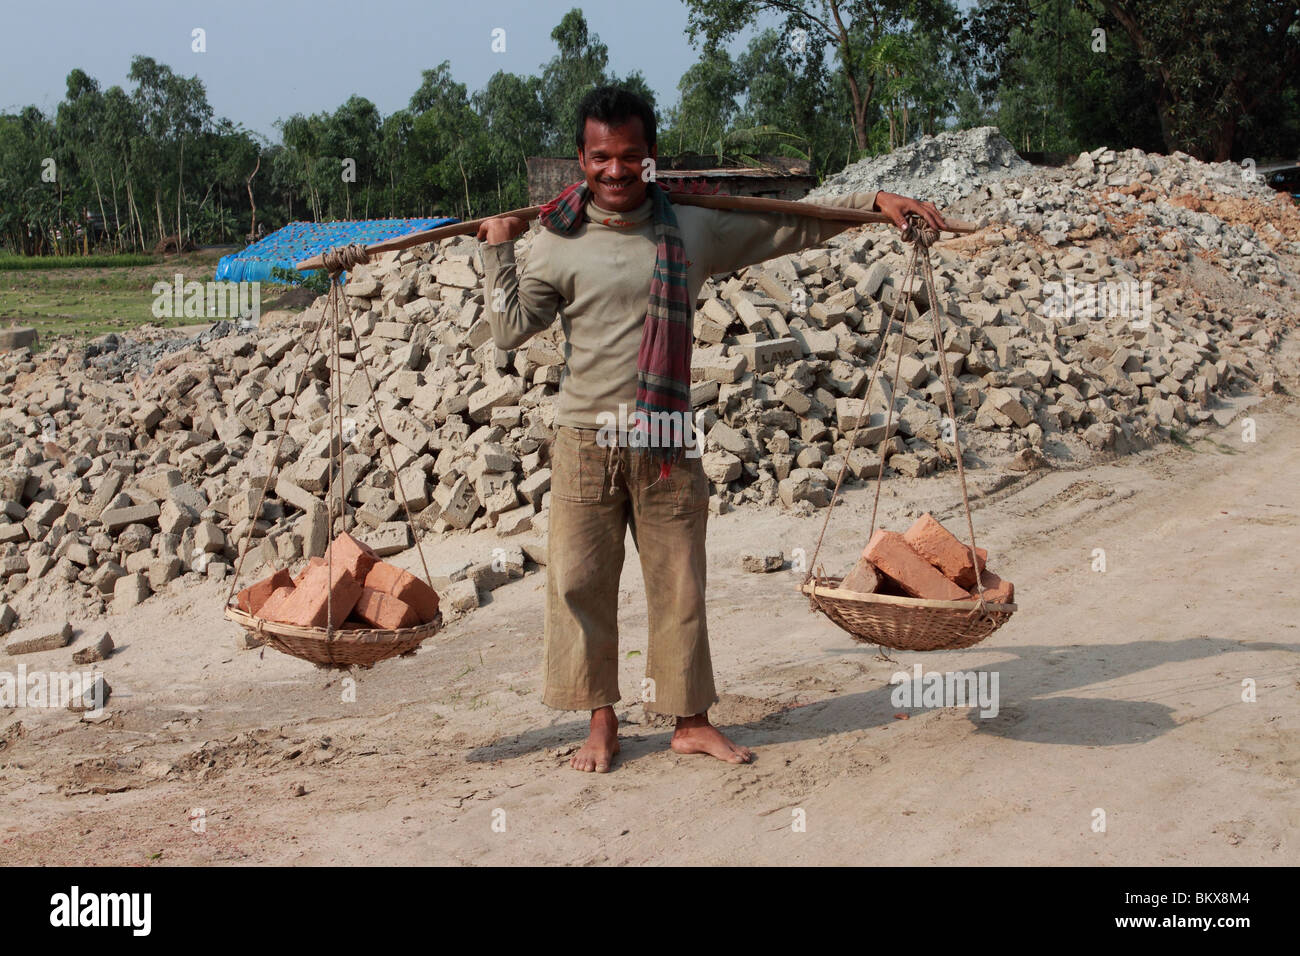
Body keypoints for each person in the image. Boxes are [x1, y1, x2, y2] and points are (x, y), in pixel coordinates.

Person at [478, 86, 950, 772]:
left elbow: (789, 223)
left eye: (630, 156)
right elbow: (509, 327)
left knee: (680, 582)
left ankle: (690, 720)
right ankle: (601, 719)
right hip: (586, 439)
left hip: (665, 437)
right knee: (580, 582)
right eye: (601, 157)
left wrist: (872, 206)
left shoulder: (693, 226)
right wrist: (497, 254)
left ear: (651, 158)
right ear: (580, 159)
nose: (616, 171)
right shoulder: (554, 240)